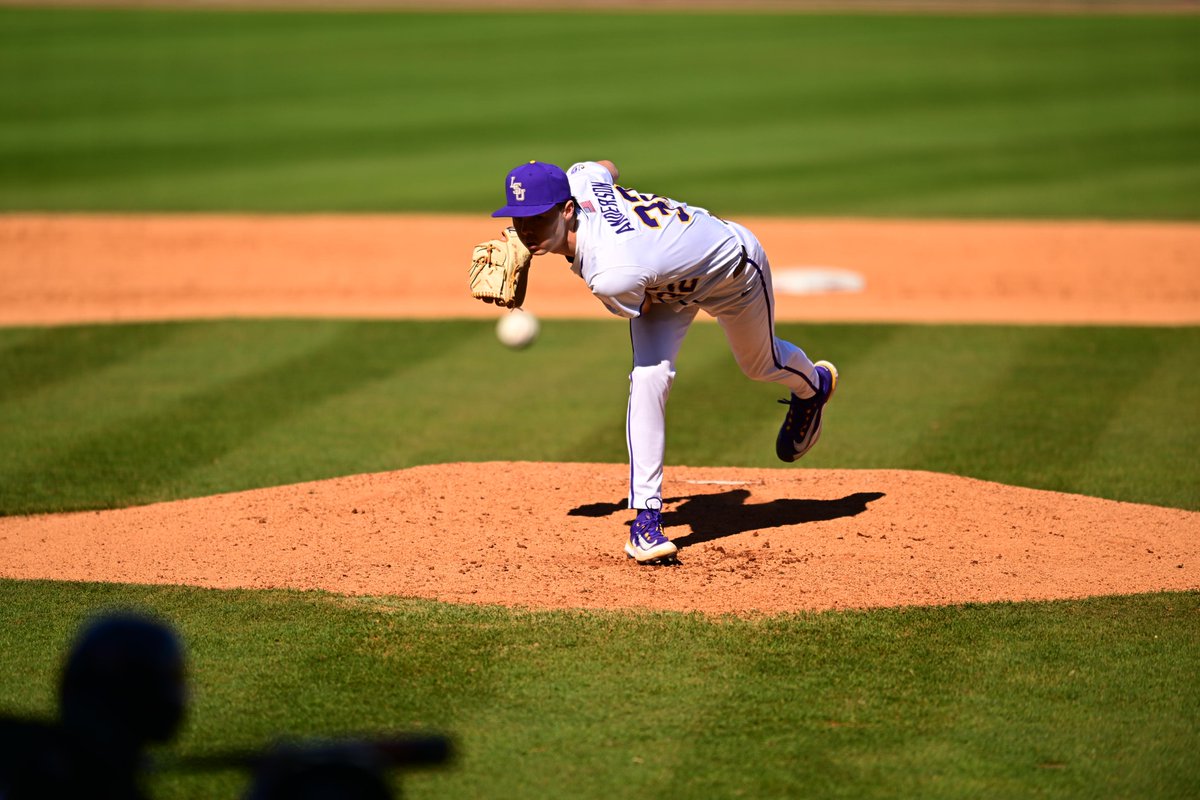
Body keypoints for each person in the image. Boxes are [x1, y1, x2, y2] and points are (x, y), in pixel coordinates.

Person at [490, 160, 838, 563]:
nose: (525, 230)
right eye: (518, 220)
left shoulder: (612, 273)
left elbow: (648, 301)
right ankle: (646, 521)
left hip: (731, 271)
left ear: (568, 209)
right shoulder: (580, 180)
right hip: (662, 280)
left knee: (761, 364)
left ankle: (813, 387)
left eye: (536, 217)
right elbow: (607, 167)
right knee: (648, 379)